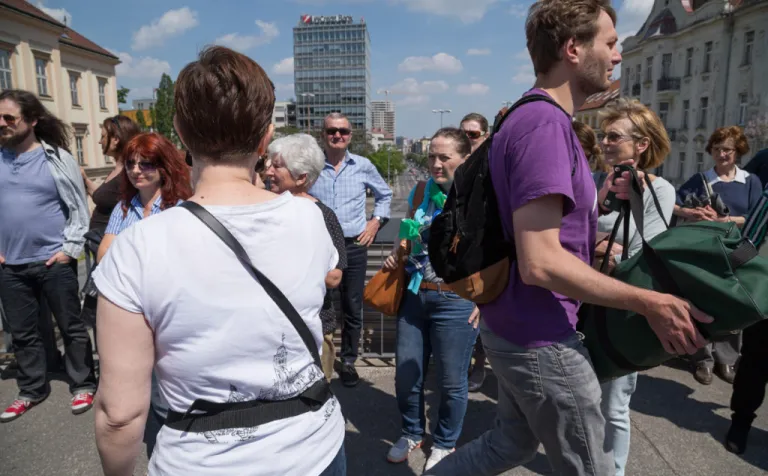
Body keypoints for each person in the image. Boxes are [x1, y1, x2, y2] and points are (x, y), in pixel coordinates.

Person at [426, 2, 710, 474]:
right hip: (542, 338)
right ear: (573, 48)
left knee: (508, 446)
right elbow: (540, 263)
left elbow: (535, 240)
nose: (617, 56)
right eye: (610, 43)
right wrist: (649, 302)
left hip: (515, 327)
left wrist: (587, 247)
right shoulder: (545, 126)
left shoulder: (528, 116)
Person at [93, 46, 345, 476]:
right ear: (265, 136)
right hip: (316, 447)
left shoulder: (138, 245)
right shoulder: (311, 219)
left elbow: (119, 414)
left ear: (179, 131)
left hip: (202, 460)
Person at [383, 128, 481, 472]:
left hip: (457, 300)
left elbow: (498, 252)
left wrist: (484, 300)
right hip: (415, 295)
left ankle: (444, 442)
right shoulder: (421, 191)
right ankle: (412, 433)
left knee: (452, 381)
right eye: (431, 157)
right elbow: (406, 233)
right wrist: (397, 252)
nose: (436, 164)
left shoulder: (479, 197)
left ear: (464, 160)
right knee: (406, 375)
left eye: (444, 158)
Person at [0, 89, 97, 422]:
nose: (2, 123)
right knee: (23, 333)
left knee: (71, 326)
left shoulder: (56, 157)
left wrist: (69, 251)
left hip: (53, 261)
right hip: (10, 265)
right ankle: (31, 389)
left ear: (32, 120)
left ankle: (83, 383)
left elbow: (78, 208)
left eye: (9, 117)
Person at [593, 98, 675, 476]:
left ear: (641, 144)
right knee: (581, 398)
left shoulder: (660, 190)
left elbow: (647, 253)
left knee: (614, 406)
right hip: (583, 300)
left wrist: (597, 249)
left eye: (614, 136)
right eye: (604, 135)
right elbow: (568, 237)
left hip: (623, 308)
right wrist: (595, 244)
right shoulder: (598, 182)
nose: (605, 142)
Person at [674, 126, 762, 386]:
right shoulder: (702, 179)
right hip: (706, 247)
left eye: (727, 150)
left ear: (738, 152)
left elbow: (756, 216)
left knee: (734, 301)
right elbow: (674, 204)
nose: (722, 154)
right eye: (717, 149)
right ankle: (701, 358)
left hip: (738, 248)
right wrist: (691, 213)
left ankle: (727, 358)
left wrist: (726, 220)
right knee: (701, 300)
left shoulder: (750, 181)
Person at [310, 112, 393, 387]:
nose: (338, 135)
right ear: (323, 135)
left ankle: (348, 362)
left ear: (350, 135)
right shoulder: (312, 166)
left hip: (354, 245)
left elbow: (385, 194)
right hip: (320, 245)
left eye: (343, 131)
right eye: (332, 131)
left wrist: (375, 222)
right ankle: (320, 363)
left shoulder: (363, 165)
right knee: (319, 304)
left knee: (352, 306)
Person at [265, 133, 347, 381]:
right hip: (269, 326)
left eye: (277, 166)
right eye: (269, 164)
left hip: (314, 326)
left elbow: (334, 277)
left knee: (315, 392)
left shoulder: (323, 215)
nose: (268, 172)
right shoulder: (262, 211)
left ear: (301, 177)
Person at [79, 115, 141, 332]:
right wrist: (86, 180)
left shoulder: (129, 173)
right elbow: (103, 197)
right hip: (101, 246)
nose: (99, 141)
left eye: (103, 136)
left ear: (115, 139)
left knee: (104, 311)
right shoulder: (117, 169)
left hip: (111, 251)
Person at [97, 132, 193, 262]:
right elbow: (103, 255)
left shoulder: (178, 209)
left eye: (146, 164)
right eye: (130, 163)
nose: (135, 170)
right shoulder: (123, 208)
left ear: (164, 168)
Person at [725, 183, 768, 455]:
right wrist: (728, 274)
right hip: (767, 297)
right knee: (756, 362)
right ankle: (741, 421)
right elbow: (750, 240)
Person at [459, 113, 490, 393]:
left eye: (473, 134)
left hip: (485, 250)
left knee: (481, 313)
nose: (468, 139)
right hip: (457, 251)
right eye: (463, 134)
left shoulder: (491, 165)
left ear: (485, 136)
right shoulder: (457, 163)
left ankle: (479, 365)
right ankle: (461, 366)